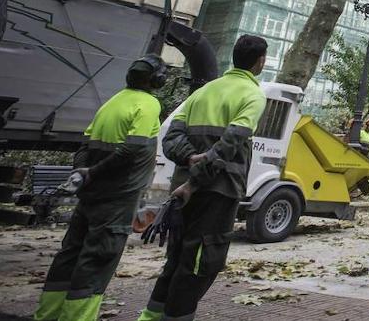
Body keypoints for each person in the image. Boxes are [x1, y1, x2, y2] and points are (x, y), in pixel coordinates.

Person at [137, 35, 268, 321]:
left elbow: (171, 135)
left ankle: (150, 316)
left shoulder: (203, 92)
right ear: (261, 61)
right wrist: (195, 181)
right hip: (217, 191)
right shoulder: (253, 95)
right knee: (199, 263)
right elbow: (230, 144)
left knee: (175, 260)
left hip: (183, 192)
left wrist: (188, 160)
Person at [34, 56, 165, 321]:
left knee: (69, 254)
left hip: (90, 195)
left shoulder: (111, 102)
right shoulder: (148, 104)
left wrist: (84, 174)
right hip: (117, 198)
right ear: (157, 80)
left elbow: (85, 143)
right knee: (97, 261)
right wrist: (93, 173)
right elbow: (133, 148)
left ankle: (47, 314)